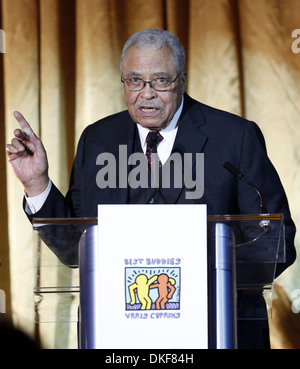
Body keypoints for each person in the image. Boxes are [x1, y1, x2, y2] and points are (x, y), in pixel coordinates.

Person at [6, 29, 296, 348]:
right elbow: (75, 246)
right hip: (119, 335)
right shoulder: (98, 140)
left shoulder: (235, 138)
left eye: (160, 80)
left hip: (218, 329)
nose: (147, 94)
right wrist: (37, 183)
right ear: (123, 81)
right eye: (134, 80)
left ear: (181, 79)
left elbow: (278, 241)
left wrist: (204, 274)